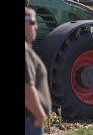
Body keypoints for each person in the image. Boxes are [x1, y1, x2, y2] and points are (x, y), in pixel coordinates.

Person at [25, 7, 52, 135]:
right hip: (30, 120)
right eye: (32, 22)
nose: (36, 27)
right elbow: (27, 88)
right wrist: (40, 115)